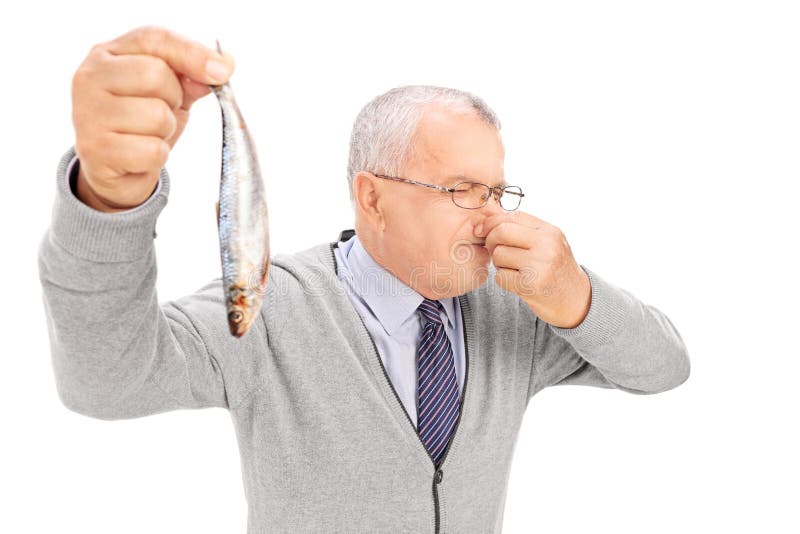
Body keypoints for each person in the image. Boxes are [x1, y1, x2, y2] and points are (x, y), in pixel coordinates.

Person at [38, 25, 691, 534]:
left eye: (497, 190)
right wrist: (109, 201)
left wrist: (574, 296)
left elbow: (663, 367)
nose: (490, 217)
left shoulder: (512, 309)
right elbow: (106, 380)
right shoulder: (273, 308)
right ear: (371, 198)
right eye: (462, 190)